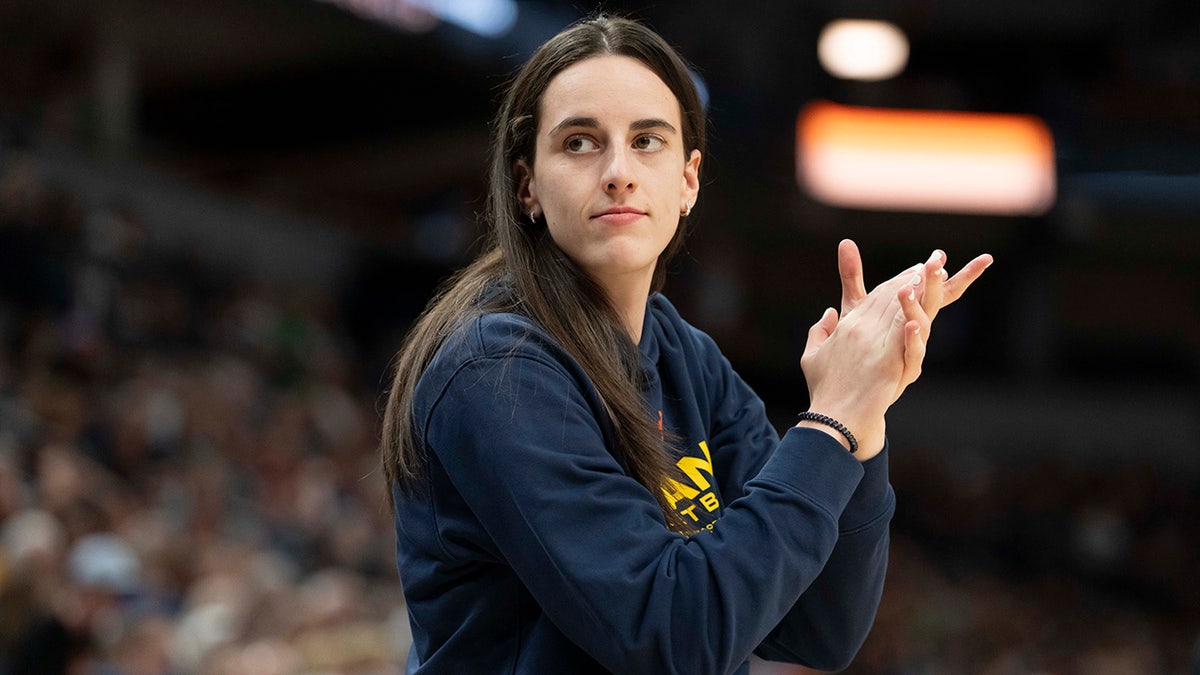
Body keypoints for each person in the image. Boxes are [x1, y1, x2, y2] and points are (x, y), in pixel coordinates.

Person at [379, 13, 992, 675]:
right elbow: (672, 638)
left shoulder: (684, 354)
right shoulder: (497, 370)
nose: (618, 171)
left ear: (689, 180)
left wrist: (864, 411)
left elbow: (819, 627)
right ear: (528, 185)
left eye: (647, 141)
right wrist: (830, 419)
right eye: (580, 143)